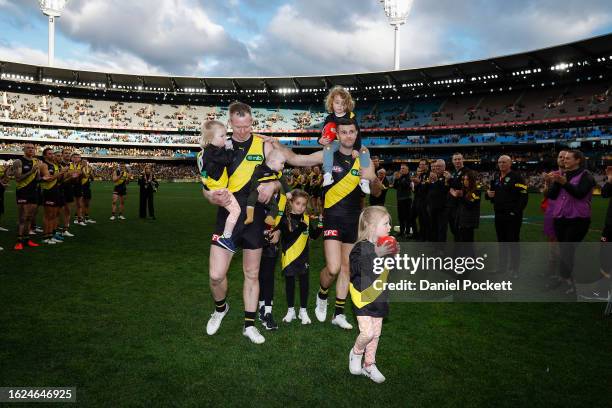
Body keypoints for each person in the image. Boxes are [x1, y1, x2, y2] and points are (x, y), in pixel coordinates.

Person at [202, 101, 312, 344]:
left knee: (252, 273)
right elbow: (207, 187)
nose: (243, 130)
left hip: (256, 218)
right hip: (228, 216)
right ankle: (220, 309)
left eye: (247, 125)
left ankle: (249, 325)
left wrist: (273, 185)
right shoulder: (221, 147)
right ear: (230, 123)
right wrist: (210, 196)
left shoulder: (264, 145)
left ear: (252, 121)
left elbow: (282, 176)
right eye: (238, 126)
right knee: (216, 276)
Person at [281, 117, 379, 330]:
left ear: (356, 134)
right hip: (333, 219)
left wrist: (371, 176)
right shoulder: (328, 155)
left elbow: (375, 185)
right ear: (338, 135)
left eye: (352, 132)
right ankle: (322, 294)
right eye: (343, 132)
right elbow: (297, 159)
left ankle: (339, 313)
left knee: (347, 269)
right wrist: (276, 145)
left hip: (354, 221)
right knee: (333, 269)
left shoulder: (363, 158)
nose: (348, 136)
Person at [348, 206, 398, 384]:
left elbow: (391, 269)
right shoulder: (360, 247)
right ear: (371, 226)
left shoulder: (385, 244)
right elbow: (357, 268)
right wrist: (378, 253)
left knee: (376, 334)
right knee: (367, 333)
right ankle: (356, 353)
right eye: (385, 223)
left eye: (389, 223)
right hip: (362, 297)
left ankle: (369, 364)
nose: (389, 227)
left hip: (379, 296)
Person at [545, 150, 595, 294]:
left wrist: (564, 183)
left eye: (568, 158)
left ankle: (570, 280)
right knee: (564, 249)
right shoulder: (563, 175)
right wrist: (550, 182)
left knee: (567, 249)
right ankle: (564, 278)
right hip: (561, 218)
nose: (564, 160)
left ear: (578, 160)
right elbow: (552, 195)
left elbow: (580, 194)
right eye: (564, 158)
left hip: (578, 219)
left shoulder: (586, 175)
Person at [279, 190, 322, 325]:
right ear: (291, 203)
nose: (301, 207)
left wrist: (320, 223)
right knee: (290, 284)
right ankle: (291, 311)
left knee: (304, 283)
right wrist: (301, 227)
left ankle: (303, 311)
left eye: (303, 204)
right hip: (289, 258)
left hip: (303, 258)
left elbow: (314, 235)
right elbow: (287, 237)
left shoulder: (307, 219)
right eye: (298, 203)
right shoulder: (285, 219)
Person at [197, 120, 240, 252]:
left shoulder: (206, 151)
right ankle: (226, 237)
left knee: (233, 211)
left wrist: (205, 183)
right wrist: (231, 148)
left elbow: (203, 172)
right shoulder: (213, 152)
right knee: (236, 211)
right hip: (219, 188)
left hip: (213, 186)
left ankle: (226, 236)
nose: (224, 138)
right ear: (210, 138)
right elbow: (227, 160)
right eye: (221, 136)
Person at [319, 86, 371, 194]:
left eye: (343, 103)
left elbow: (358, 134)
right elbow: (323, 134)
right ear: (331, 103)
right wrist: (320, 140)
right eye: (337, 102)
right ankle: (328, 175)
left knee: (365, 151)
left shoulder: (351, 117)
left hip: (350, 143)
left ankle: (364, 180)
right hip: (336, 143)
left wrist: (356, 148)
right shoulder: (329, 118)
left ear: (347, 104)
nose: (340, 106)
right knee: (327, 148)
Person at [485, 155, 528, 278]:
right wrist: (488, 194)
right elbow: (491, 195)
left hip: (512, 217)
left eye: (504, 162)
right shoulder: (496, 177)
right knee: (502, 243)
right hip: (499, 215)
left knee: (513, 242)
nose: (501, 164)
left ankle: (514, 269)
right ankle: (502, 267)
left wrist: (515, 212)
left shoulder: (517, 178)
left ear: (510, 164)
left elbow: (524, 196)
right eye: (499, 162)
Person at [243, 149, 292, 226]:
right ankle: (250, 217)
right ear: (272, 162)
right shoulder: (260, 169)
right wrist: (258, 186)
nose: (283, 166)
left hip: (269, 195)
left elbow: (283, 182)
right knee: (251, 199)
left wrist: (288, 192)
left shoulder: (277, 173)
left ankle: (270, 218)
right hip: (257, 190)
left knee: (275, 207)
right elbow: (253, 178)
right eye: (282, 163)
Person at [541, 150, 567, 279]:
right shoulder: (552, 175)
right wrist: (546, 182)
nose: (562, 159)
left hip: (566, 214)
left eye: (565, 157)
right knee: (552, 242)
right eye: (560, 157)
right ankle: (552, 270)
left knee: (565, 245)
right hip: (551, 212)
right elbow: (546, 193)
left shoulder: (574, 175)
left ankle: (563, 273)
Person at [12, 143, 40, 250]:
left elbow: (37, 178)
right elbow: (18, 178)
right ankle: (19, 240)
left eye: (32, 148)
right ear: (24, 149)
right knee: (22, 217)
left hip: (33, 192)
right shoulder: (18, 162)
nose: (31, 150)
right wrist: (31, 171)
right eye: (28, 148)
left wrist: (40, 175)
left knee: (30, 217)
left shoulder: (36, 162)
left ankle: (27, 239)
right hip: (23, 191)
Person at [39, 147, 64, 244]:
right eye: (49, 153)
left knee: (53, 215)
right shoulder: (44, 165)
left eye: (52, 153)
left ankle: (50, 235)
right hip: (48, 191)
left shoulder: (53, 165)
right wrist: (61, 173)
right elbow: (48, 179)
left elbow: (57, 179)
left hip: (55, 191)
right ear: (45, 155)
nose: (52, 155)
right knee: (48, 215)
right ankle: (45, 237)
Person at [426, 160, 451, 242]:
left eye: (439, 166)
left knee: (441, 229)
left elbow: (444, 190)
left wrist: (436, 181)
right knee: (434, 227)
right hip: (433, 207)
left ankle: (441, 250)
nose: (437, 168)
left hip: (443, 208)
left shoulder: (447, 177)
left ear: (444, 167)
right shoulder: (433, 176)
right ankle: (435, 246)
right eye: (436, 166)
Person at [455, 170, 481, 244]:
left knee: (468, 242)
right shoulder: (465, 190)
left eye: (467, 179)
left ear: (472, 180)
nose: (465, 181)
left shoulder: (476, 191)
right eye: (464, 179)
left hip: (469, 221)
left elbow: (470, 205)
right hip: (462, 220)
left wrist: (461, 196)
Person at [447, 153, 467, 242]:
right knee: (455, 232)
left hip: (462, 207)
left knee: (462, 233)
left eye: (459, 159)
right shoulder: (455, 173)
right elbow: (452, 188)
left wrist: (450, 180)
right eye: (455, 159)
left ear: (463, 160)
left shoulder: (466, 172)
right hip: (453, 206)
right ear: (452, 161)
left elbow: (461, 187)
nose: (457, 161)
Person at [411, 159, 430, 241]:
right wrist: (415, 184)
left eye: (423, 164)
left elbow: (427, 188)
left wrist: (418, 183)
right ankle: (421, 236)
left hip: (426, 201)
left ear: (427, 165)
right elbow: (416, 190)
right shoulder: (421, 175)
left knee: (425, 220)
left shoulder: (429, 174)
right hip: (418, 200)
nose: (421, 166)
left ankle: (425, 237)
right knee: (421, 220)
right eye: (420, 164)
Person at [58, 149, 75, 238]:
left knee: (68, 210)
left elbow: (74, 178)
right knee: (58, 211)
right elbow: (60, 179)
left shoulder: (72, 165)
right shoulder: (59, 164)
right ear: (62, 154)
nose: (68, 155)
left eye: (69, 153)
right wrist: (69, 175)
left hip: (69, 189)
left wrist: (75, 176)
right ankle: (56, 229)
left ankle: (65, 229)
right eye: (66, 153)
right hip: (60, 189)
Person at [392, 164, 412, 238]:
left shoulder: (408, 177)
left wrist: (399, 178)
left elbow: (405, 185)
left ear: (407, 170)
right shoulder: (401, 177)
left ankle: (407, 232)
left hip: (406, 199)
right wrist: (396, 179)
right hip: (400, 199)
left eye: (403, 168)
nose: (402, 169)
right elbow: (395, 187)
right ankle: (401, 232)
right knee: (400, 217)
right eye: (401, 168)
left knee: (407, 217)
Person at [80, 159, 96, 224]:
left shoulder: (89, 168)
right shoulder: (79, 168)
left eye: (86, 162)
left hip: (87, 187)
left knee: (87, 204)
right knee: (81, 204)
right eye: (83, 162)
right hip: (81, 187)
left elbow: (92, 179)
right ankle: (79, 218)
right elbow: (81, 176)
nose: (85, 163)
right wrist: (82, 170)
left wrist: (91, 174)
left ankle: (86, 218)